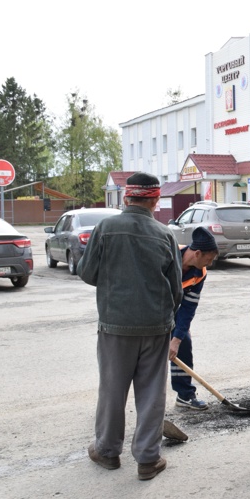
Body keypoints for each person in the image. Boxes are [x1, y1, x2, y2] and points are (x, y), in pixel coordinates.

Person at [79, 172, 182, 481]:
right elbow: (176, 289)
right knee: (151, 393)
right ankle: (148, 460)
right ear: (155, 200)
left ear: (127, 198)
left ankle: (107, 453)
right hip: (155, 326)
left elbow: (87, 272)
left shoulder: (106, 229)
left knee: (112, 389)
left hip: (115, 325)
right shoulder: (164, 234)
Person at [169, 227, 219, 410]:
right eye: (209, 258)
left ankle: (184, 395)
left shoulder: (200, 273)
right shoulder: (168, 256)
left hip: (173, 311)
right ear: (197, 253)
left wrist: (176, 339)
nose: (210, 263)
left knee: (183, 343)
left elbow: (189, 307)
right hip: (149, 309)